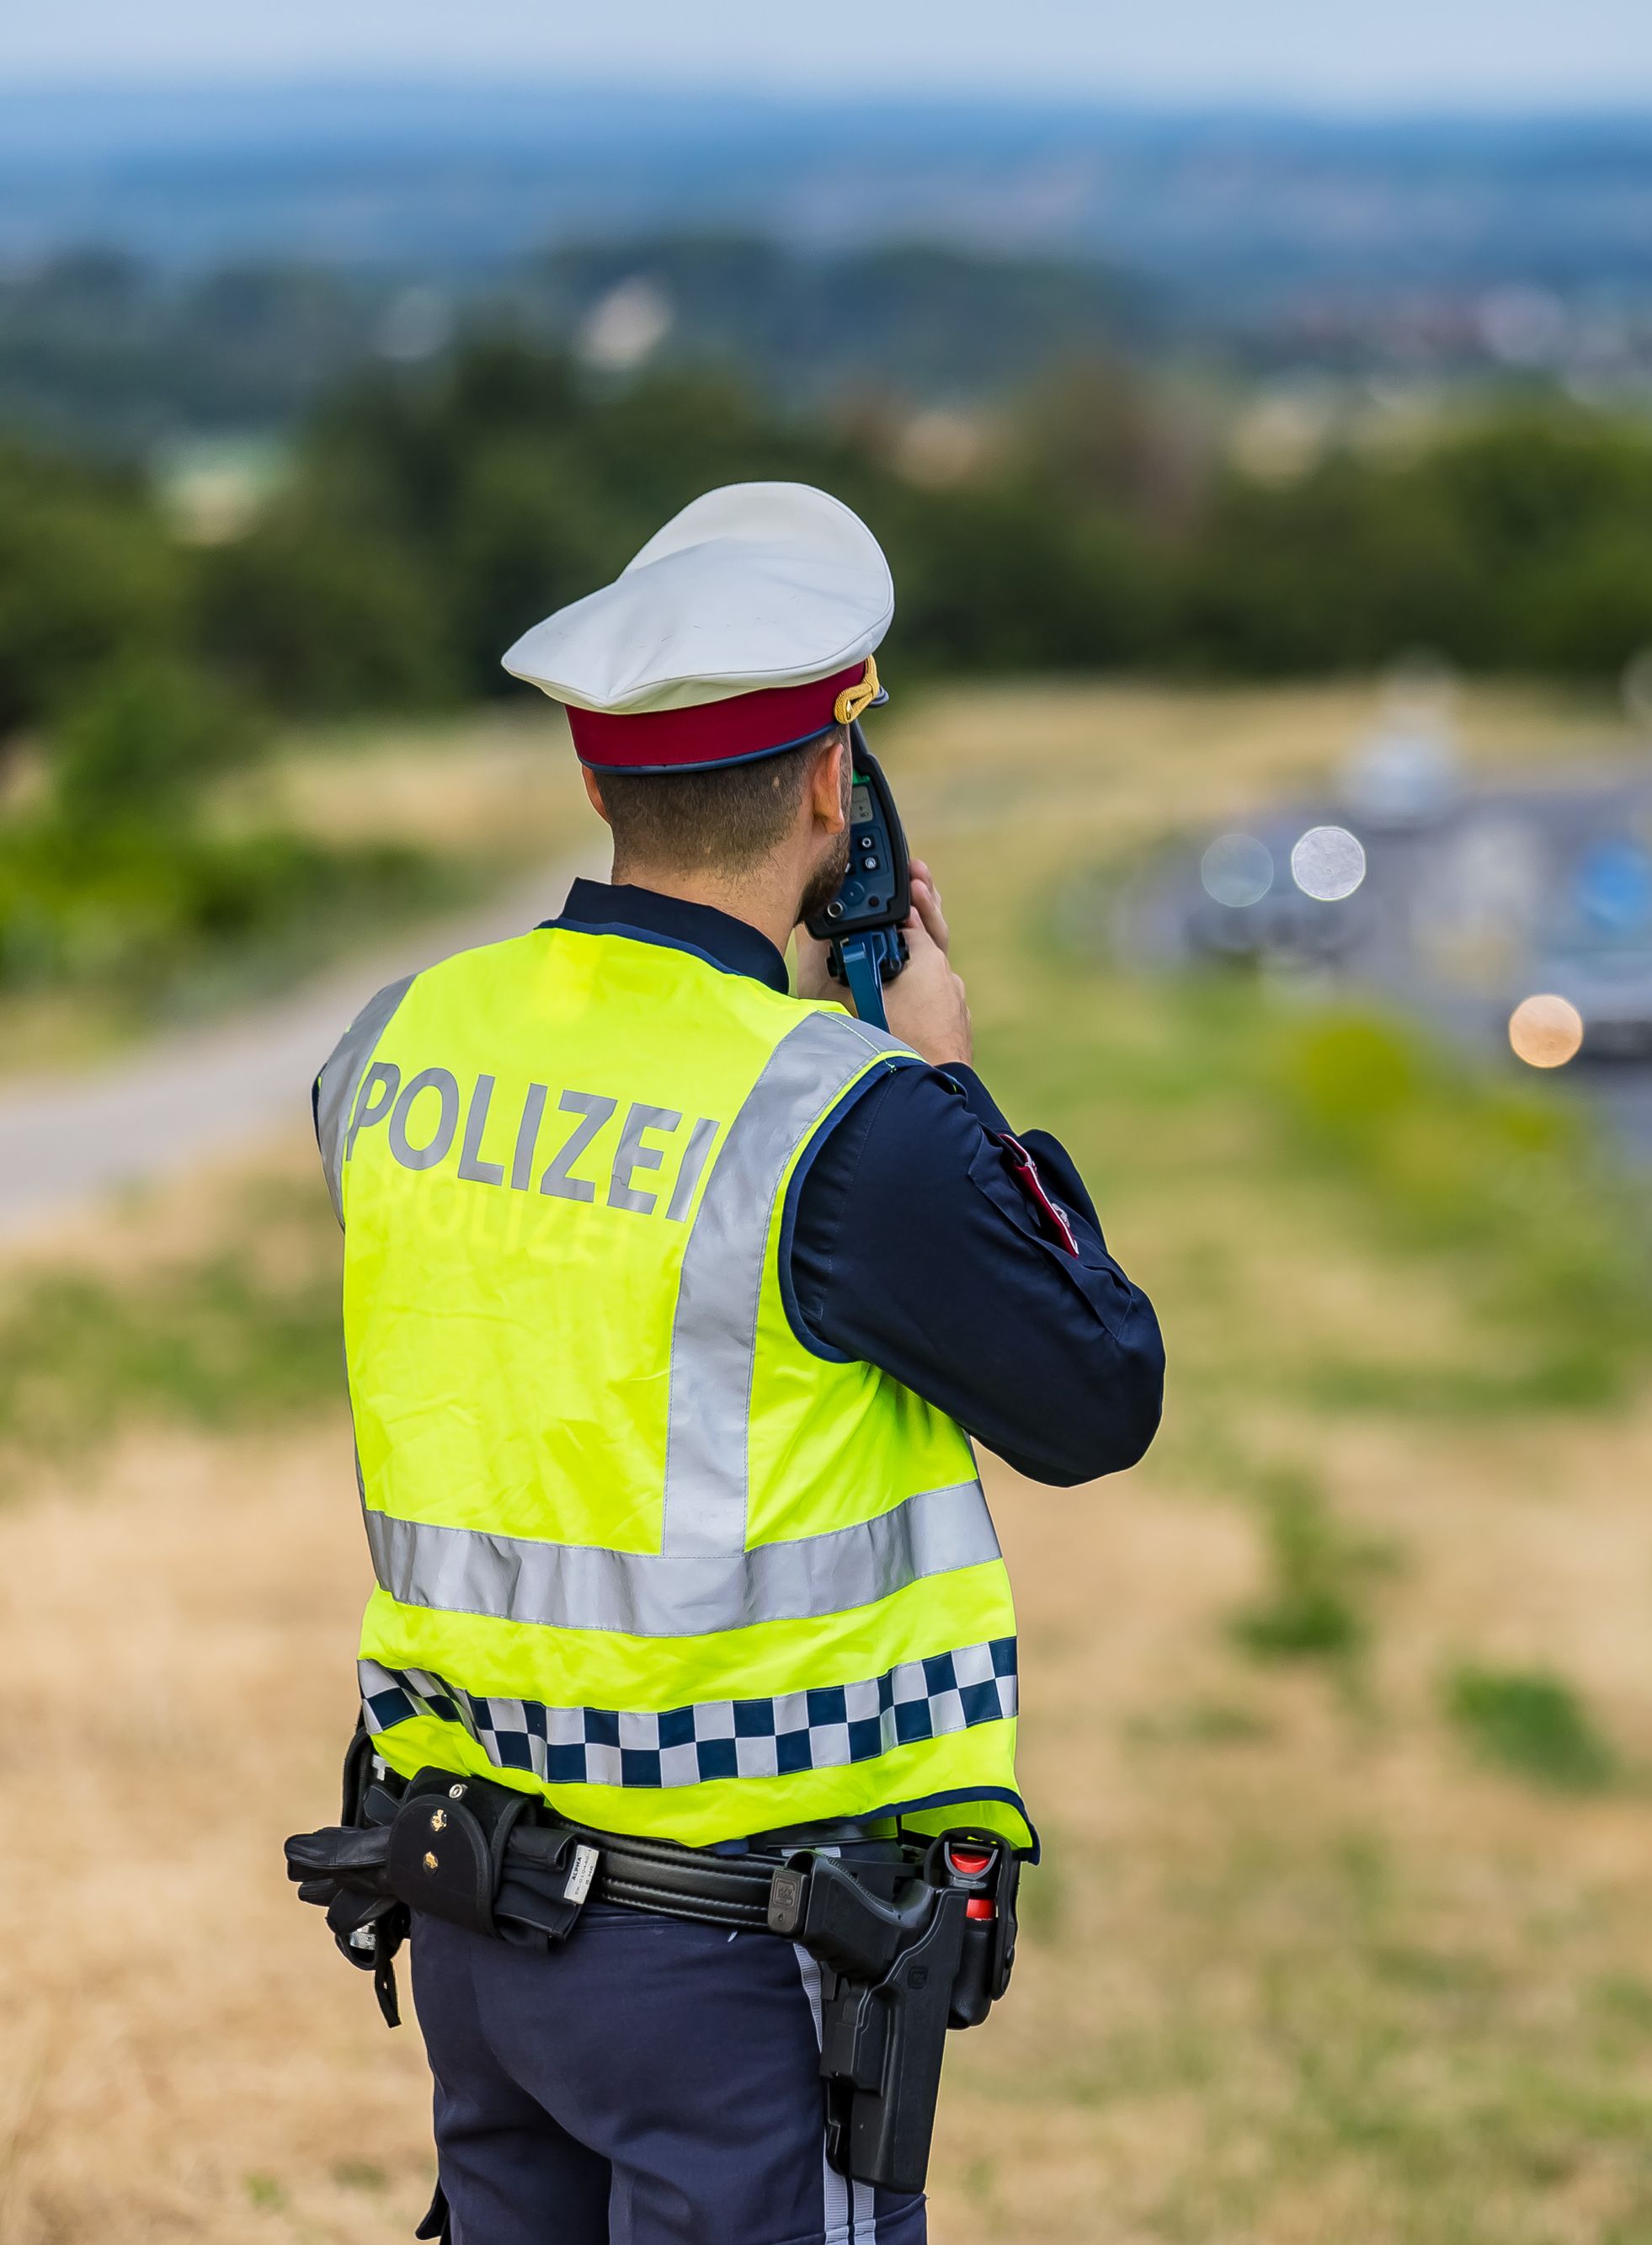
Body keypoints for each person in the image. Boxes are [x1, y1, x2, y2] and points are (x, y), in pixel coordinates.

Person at [294, 483, 1164, 2244]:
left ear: (597, 776)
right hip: (734, 1962)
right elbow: (1094, 1396)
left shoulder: (392, 1046)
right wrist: (940, 1076)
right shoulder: (843, 1121)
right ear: (837, 786)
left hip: (474, 1920)